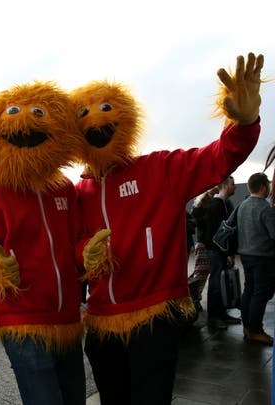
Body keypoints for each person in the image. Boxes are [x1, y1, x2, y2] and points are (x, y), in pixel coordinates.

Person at [73, 52, 262, 404]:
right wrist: (85, 250)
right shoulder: (80, 191)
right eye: (82, 114)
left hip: (154, 316)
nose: (94, 120)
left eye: (104, 108)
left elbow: (218, 156)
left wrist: (244, 124)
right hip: (102, 324)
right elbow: (73, 244)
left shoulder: (159, 169)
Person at [0, 81, 86, 405]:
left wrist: (88, 252)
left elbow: (75, 242)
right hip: (24, 324)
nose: (27, 124)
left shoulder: (64, 188)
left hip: (68, 320)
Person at [237, 172, 275, 345]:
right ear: (262, 187)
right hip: (263, 257)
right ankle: (255, 331)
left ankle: (247, 327)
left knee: (249, 290)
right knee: (260, 293)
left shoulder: (242, 205)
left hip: (245, 255)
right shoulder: (265, 209)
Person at [201, 176, 243, 329]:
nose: (235, 187)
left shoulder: (225, 204)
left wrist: (229, 253)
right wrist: (226, 254)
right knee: (216, 284)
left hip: (221, 252)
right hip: (215, 252)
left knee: (223, 283)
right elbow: (215, 235)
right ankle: (214, 317)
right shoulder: (215, 206)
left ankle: (222, 314)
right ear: (225, 186)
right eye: (233, 184)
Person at [189, 187, 217, 312]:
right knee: (200, 274)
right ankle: (195, 299)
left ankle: (196, 298)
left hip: (208, 243)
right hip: (202, 243)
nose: (211, 195)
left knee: (202, 273)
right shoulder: (200, 206)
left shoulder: (213, 204)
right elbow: (193, 221)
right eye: (210, 193)